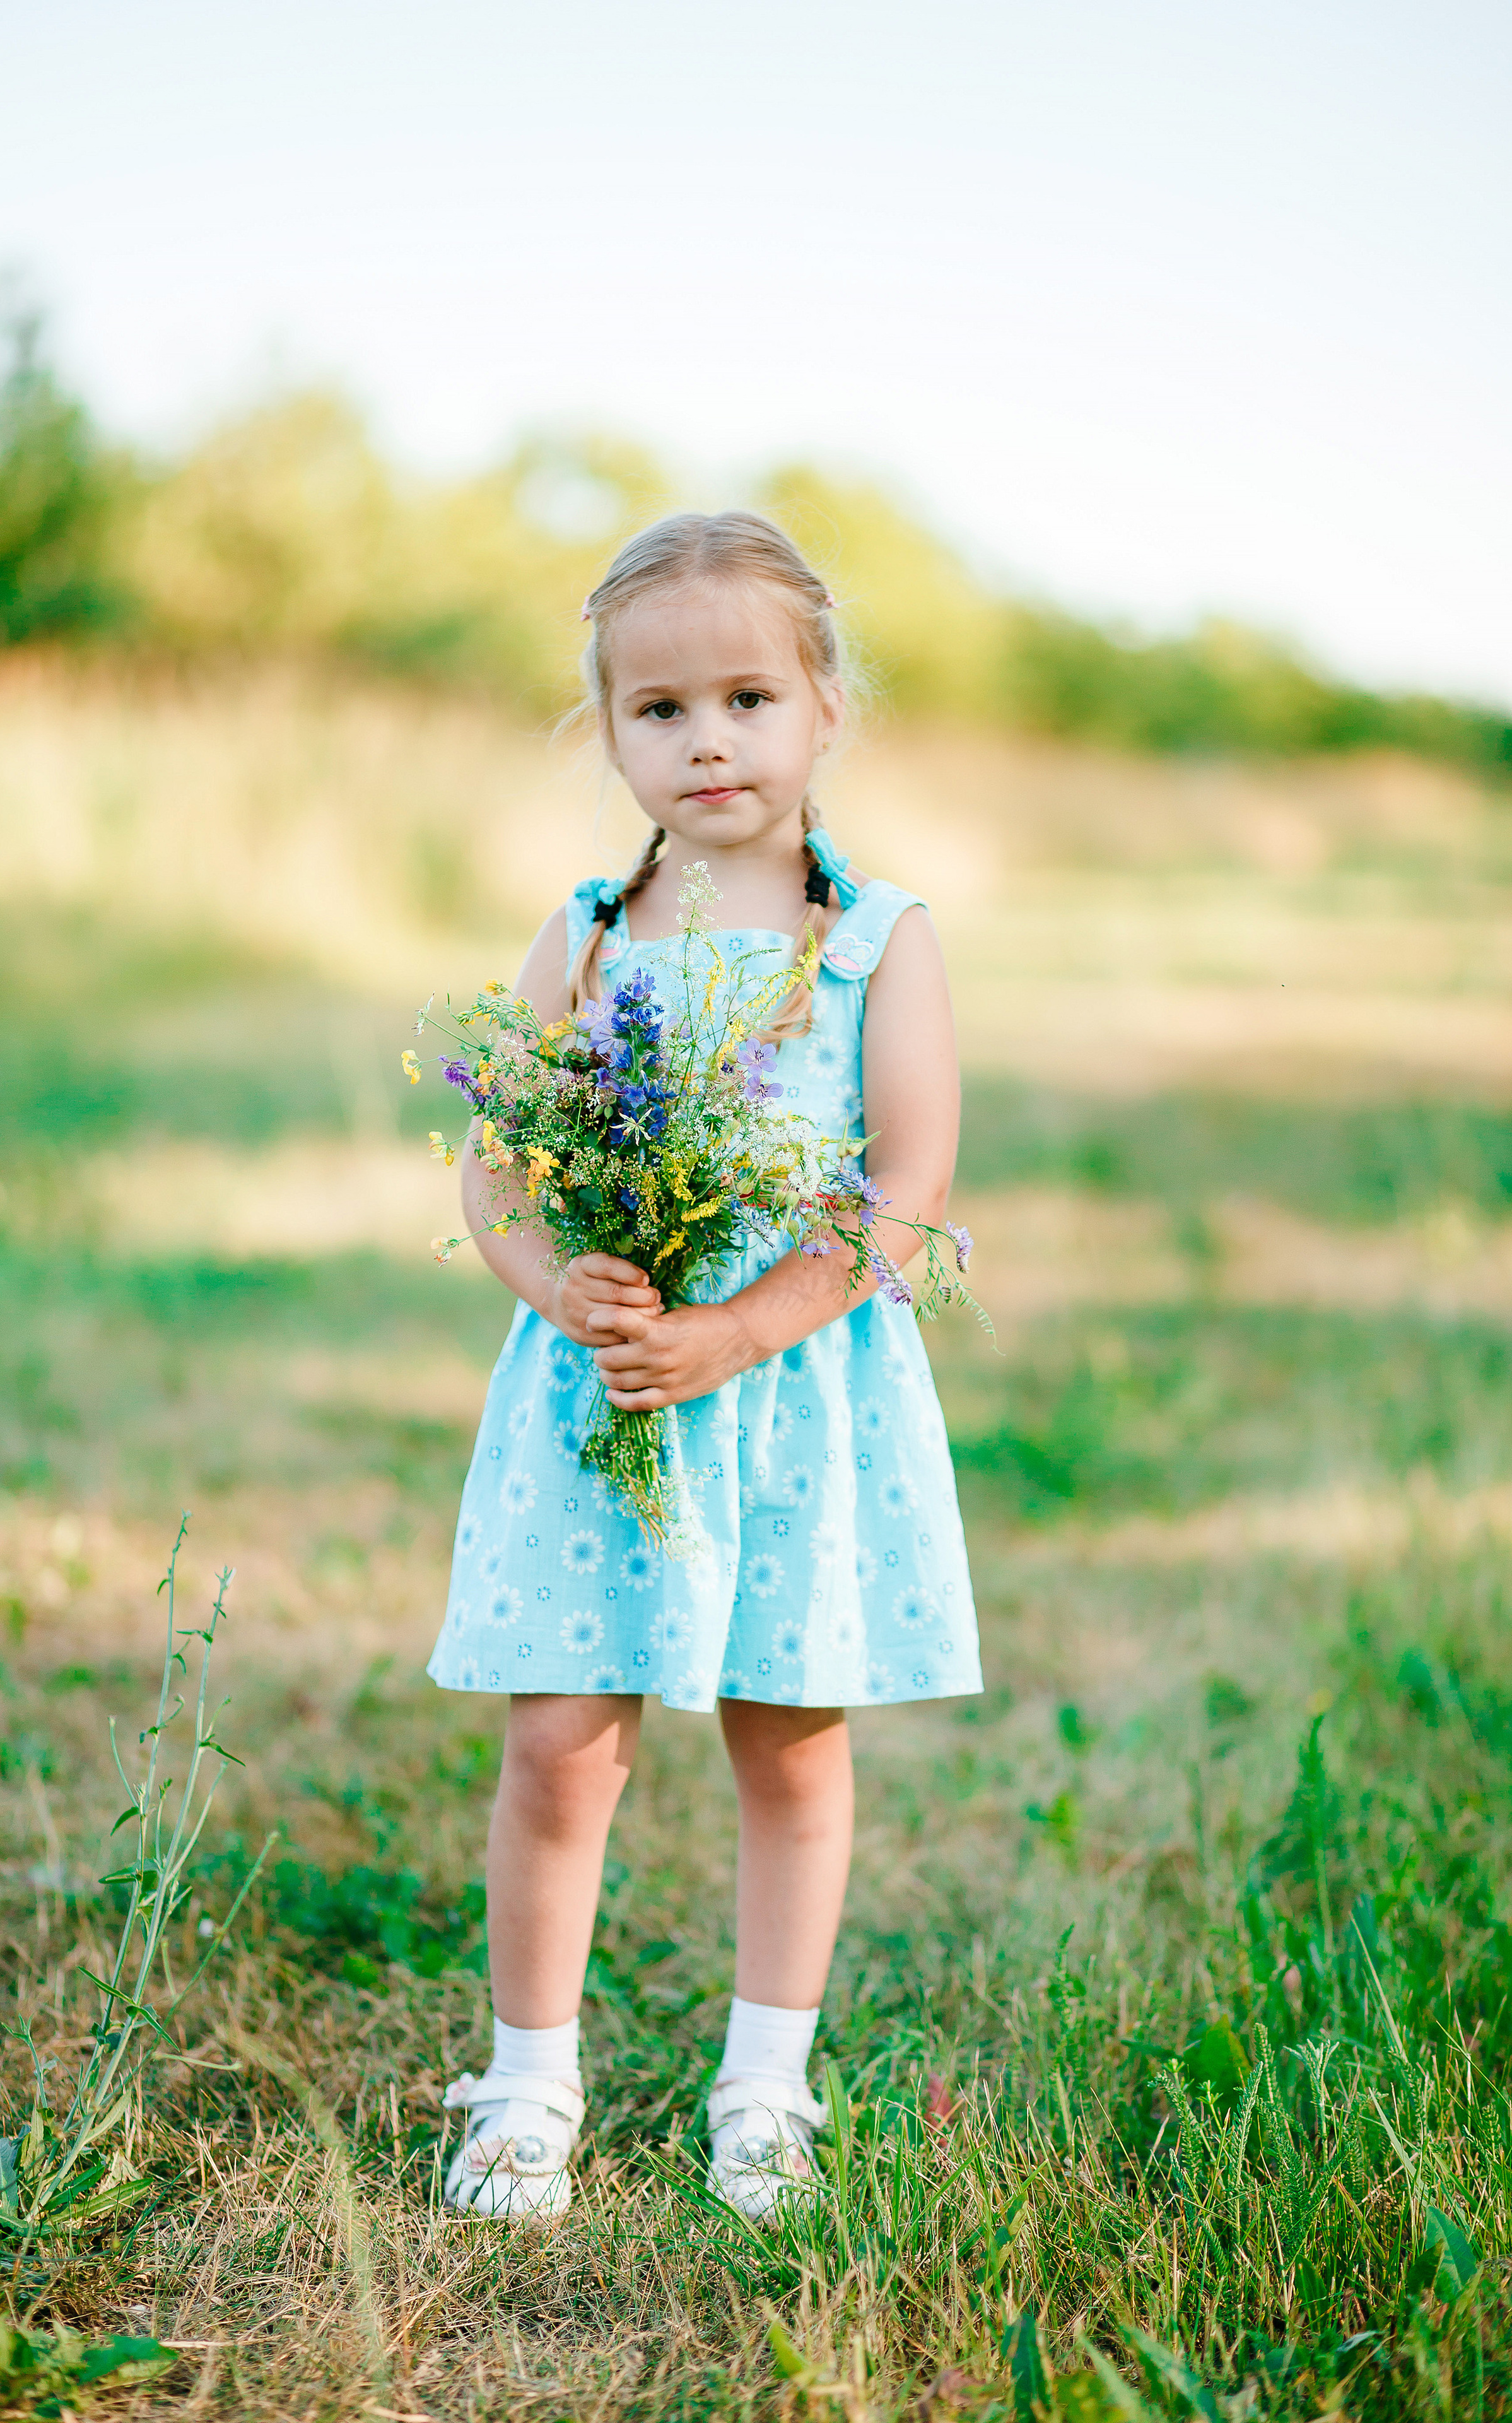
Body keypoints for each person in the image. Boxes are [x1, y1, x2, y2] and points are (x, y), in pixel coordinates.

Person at [430, 510, 982, 2221]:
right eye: (658, 710)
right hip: (603, 1400)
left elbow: (908, 1184)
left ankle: (767, 2083)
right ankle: (528, 2085)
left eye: (748, 696)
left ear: (825, 709)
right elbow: (493, 1165)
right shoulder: (588, 932)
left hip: (793, 1390)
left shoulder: (880, 937)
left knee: (791, 1736)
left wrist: (740, 1327)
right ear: (612, 732)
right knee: (562, 1738)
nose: (707, 740)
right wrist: (560, 1279)